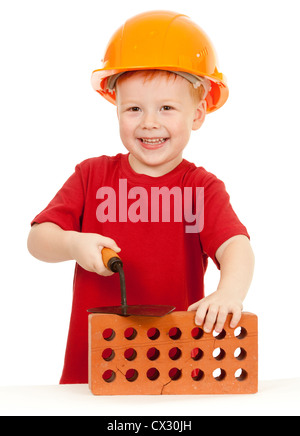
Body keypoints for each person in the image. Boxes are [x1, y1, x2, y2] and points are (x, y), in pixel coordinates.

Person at [27, 11, 254, 384]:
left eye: (167, 107)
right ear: (115, 108)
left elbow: (236, 246)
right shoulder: (91, 176)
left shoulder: (201, 188)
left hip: (174, 370)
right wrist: (72, 242)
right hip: (93, 372)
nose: (149, 122)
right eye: (133, 109)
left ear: (198, 114)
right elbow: (38, 239)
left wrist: (228, 292)